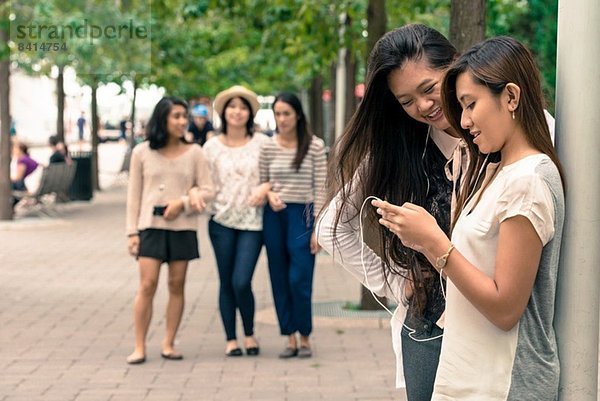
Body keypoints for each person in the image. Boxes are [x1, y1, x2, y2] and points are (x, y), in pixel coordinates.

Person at [374, 36, 565, 400]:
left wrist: (434, 244)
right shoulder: (491, 172)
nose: (462, 121)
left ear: (510, 97)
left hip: (505, 379)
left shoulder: (528, 181)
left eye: (470, 105)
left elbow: (506, 307)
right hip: (473, 374)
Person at [316, 24, 462, 400]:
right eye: (406, 101)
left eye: (429, 89)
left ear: (457, 64)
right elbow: (332, 227)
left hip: (503, 326)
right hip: (431, 332)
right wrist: (398, 283)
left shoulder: (515, 132)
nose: (424, 107)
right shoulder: (402, 147)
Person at [125, 96, 214, 364]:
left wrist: (183, 202)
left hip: (182, 227)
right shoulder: (141, 152)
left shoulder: (196, 152)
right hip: (150, 227)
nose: (182, 121)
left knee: (177, 285)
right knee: (147, 284)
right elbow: (133, 195)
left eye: (183, 116)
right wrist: (132, 232)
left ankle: (168, 342)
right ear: (162, 118)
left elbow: (209, 190)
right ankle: (139, 346)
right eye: (176, 116)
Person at [254, 92, 326, 358]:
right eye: (277, 114)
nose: (281, 119)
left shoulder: (314, 146)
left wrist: (317, 228)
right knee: (279, 275)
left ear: (297, 114)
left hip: (303, 214)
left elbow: (321, 186)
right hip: (274, 215)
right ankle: (290, 336)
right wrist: (269, 194)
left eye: (286, 113)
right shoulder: (267, 146)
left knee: (300, 277)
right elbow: (262, 182)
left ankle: (305, 334)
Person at [202, 85, 267, 357]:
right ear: (224, 112)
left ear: (249, 113)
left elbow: (274, 174)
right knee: (226, 281)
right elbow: (203, 181)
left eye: (242, 107)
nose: (237, 112)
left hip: (253, 221)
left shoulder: (263, 143)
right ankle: (231, 338)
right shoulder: (210, 147)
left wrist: (265, 188)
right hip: (221, 220)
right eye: (232, 107)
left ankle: (249, 333)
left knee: (242, 280)